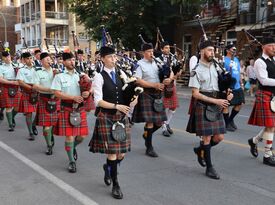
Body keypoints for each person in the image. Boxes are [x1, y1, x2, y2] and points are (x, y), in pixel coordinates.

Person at [89, 46, 135, 199]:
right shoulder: (99, 77)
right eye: (110, 57)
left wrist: (133, 99)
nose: (113, 59)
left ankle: (108, 168)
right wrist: (116, 106)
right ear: (102, 59)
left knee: (121, 153)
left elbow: (128, 94)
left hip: (121, 117)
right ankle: (115, 184)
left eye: (114, 56)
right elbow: (98, 101)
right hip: (107, 117)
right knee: (113, 154)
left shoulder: (122, 74)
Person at [186, 39, 233, 179]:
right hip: (204, 104)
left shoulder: (216, 66)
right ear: (202, 51)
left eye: (213, 50)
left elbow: (222, 84)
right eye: (209, 50)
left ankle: (200, 150)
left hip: (217, 102)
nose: (212, 52)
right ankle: (209, 167)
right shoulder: (196, 71)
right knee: (206, 138)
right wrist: (216, 100)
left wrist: (227, 93)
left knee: (219, 137)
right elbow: (195, 94)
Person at [51, 52, 89, 173]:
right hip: (66, 108)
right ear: (64, 62)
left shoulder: (81, 75)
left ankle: (73, 148)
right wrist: (72, 97)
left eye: (73, 60)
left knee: (82, 136)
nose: (72, 62)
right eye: (69, 60)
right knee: (69, 136)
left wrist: (87, 92)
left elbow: (90, 87)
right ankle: (71, 161)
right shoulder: (59, 77)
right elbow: (56, 93)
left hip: (80, 108)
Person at [132, 42, 171, 157]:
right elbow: (137, 80)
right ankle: (149, 147)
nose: (151, 54)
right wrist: (154, 85)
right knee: (150, 122)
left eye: (152, 51)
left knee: (160, 122)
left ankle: (147, 134)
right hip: (147, 93)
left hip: (158, 94)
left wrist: (168, 79)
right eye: (149, 52)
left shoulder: (158, 62)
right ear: (143, 53)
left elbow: (168, 72)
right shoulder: (139, 64)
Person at [247, 37, 275, 166]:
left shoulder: (273, 60)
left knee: (271, 125)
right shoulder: (260, 62)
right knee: (271, 126)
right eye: (271, 46)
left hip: (273, 96)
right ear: (264, 47)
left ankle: (254, 141)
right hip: (265, 94)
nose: (274, 48)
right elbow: (263, 80)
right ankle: (267, 155)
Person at [33, 52, 60, 155]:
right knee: (46, 125)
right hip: (44, 98)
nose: (49, 61)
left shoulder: (56, 71)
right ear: (41, 61)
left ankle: (50, 135)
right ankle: (49, 145)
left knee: (53, 123)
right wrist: (49, 89)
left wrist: (57, 76)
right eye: (47, 59)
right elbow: (35, 86)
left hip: (56, 99)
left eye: (50, 59)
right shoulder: (38, 72)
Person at [157, 41, 179, 137]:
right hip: (162, 85)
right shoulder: (157, 59)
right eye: (166, 48)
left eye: (169, 48)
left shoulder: (172, 58)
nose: (168, 49)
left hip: (171, 84)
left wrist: (176, 73)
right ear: (161, 49)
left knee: (173, 106)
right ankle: (164, 127)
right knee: (164, 106)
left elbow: (176, 70)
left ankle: (166, 123)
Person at [16, 52, 38, 140]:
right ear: (24, 60)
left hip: (37, 91)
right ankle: (30, 132)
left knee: (39, 111)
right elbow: (20, 82)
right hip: (27, 92)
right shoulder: (21, 70)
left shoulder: (37, 68)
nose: (30, 60)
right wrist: (30, 88)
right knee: (28, 114)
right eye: (27, 58)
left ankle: (33, 124)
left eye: (31, 58)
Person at [223, 44, 245, 132]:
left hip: (237, 86)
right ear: (228, 50)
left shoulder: (236, 59)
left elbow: (238, 72)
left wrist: (241, 83)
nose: (234, 51)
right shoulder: (224, 60)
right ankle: (226, 123)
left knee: (240, 104)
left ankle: (230, 119)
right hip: (229, 86)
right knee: (226, 105)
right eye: (233, 50)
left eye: (235, 50)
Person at [0, 51, 20, 131]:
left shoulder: (16, 65)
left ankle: (11, 116)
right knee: (8, 106)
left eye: (8, 56)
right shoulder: (1, 67)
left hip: (16, 86)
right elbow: (1, 79)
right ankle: (10, 124)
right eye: (5, 57)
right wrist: (12, 82)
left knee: (17, 107)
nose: (7, 58)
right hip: (6, 86)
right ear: (3, 58)